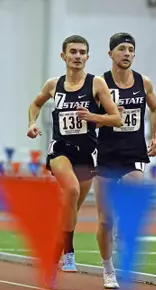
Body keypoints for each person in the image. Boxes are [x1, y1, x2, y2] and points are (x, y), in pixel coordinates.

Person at [27, 35, 121, 274]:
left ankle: (55, 248)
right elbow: (35, 103)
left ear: (87, 57)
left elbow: (116, 118)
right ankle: (69, 254)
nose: (77, 56)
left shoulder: (96, 84)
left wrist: (93, 117)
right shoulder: (53, 85)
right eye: (73, 52)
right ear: (64, 56)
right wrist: (31, 123)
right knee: (71, 190)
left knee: (71, 208)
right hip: (61, 149)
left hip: (88, 153)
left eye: (82, 53)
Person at [93, 32, 156, 289]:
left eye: (131, 49)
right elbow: (87, 117)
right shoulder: (99, 83)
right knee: (104, 220)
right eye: (122, 49)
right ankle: (107, 268)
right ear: (111, 53)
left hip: (133, 152)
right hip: (106, 153)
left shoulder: (143, 82)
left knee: (133, 190)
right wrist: (108, 116)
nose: (127, 54)